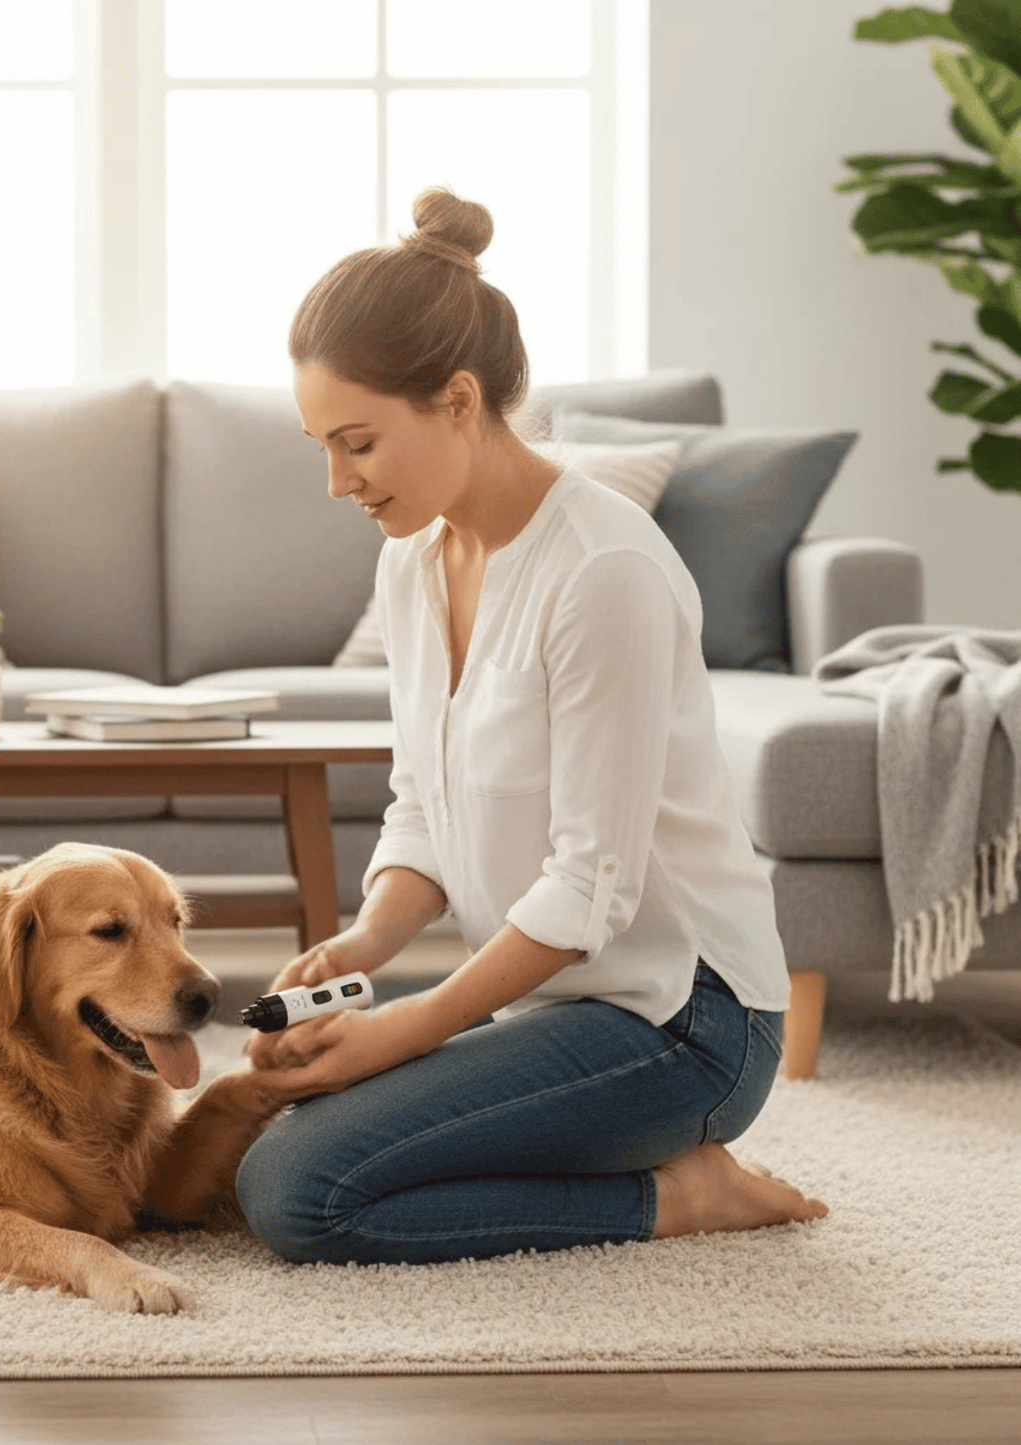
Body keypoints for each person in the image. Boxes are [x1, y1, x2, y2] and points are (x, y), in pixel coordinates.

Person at [234, 188, 828, 1266]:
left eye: (357, 442)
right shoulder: (412, 560)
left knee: (296, 1192)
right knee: (282, 1134)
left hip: (682, 1021)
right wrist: (365, 947)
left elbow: (584, 886)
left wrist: (407, 1029)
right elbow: (423, 801)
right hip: (555, 997)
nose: (336, 481)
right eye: (321, 444)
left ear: (457, 399)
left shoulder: (601, 572)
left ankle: (681, 1191)